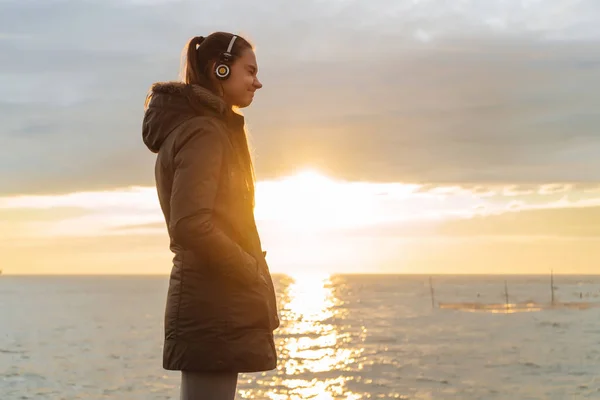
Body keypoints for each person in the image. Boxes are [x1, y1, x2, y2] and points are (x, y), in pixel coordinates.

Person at [141, 32, 280, 400]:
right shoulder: (204, 131)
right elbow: (190, 224)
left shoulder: (205, 128)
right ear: (219, 69)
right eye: (249, 71)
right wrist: (247, 268)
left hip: (213, 299)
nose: (258, 82)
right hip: (212, 301)